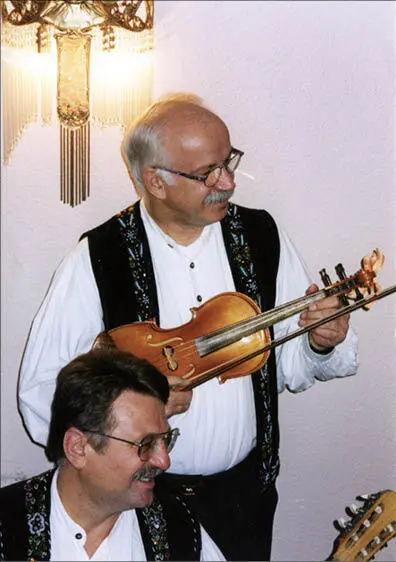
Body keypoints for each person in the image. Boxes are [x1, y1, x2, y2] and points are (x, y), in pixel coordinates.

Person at [18, 93, 358, 560]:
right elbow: (41, 396)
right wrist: (135, 405)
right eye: (207, 173)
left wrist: (321, 341)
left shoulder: (262, 236)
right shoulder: (98, 257)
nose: (229, 182)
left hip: (245, 498)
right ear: (155, 181)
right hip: (140, 506)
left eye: (229, 161)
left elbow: (291, 365)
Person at [2, 348, 225, 561]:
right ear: (78, 448)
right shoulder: (7, 529)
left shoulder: (180, 528)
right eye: (145, 444)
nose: (164, 461)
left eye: (166, 439)